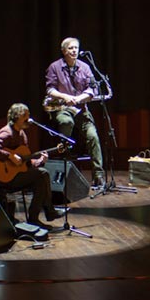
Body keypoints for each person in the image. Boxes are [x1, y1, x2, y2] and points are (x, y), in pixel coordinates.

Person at [0, 103, 64, 229]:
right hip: (5, 178)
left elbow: (25, 163)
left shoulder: (22, 135)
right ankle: (48, 212)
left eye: (29, 114)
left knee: (41, 177)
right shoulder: (7, 133)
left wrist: (40, 161)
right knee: (42, 175)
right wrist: (9, 156)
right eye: (25, 115)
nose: (28, 118)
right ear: (16, 117)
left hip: (17, 175)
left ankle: (35, 218)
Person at [45, 37, 105, 187]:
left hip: (80, 109)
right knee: (66, 122)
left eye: (76, 48)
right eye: (71, 48)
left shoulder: (85, 67)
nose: (74, 51)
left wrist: (79, 98)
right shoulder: (54, 67)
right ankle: (64, 162)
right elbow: (50, 89)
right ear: (64, 50)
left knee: (93, 136)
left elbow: (93, 89)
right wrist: (66, 97)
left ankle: (98, 175)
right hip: (62, 108)